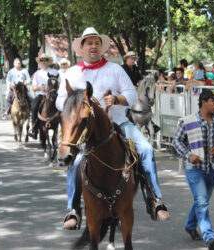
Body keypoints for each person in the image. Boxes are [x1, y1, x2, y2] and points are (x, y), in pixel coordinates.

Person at [56, 27, 170, 230]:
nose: (93, 46)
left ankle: (155, 198)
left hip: (118, 122)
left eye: (96, 43)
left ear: (101, 47)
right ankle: (73, 209)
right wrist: (76, 106)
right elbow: (60, 101)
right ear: (81, 48)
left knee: (145, 149)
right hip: (85, 128)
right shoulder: (72, 73)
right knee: (75, 162)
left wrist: (116, 99)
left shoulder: (115, 69)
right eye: (89, 43)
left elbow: (132, 96)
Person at [173, 89, 214, 250]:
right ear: (204, 102)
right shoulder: (188, 121)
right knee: (202, 201)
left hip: (212, 168)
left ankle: (190, 225)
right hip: (194, 169)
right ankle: (210, 236)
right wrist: (188, 155)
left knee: (202, 200)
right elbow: (176, 140)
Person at [29, 54, 59, 139]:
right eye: (41, 60)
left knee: (62, 106)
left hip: (54, 95)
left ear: (48, 61)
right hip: (41, 95)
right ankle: (34, 129)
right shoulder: (37, 74)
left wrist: (52, 89)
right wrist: (41, 88)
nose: (43, 62)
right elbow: (34, 87)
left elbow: (60, 84)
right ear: (40, 62)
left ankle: (64, 128)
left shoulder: (55, 72)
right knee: (34, 106)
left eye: (45, 60)